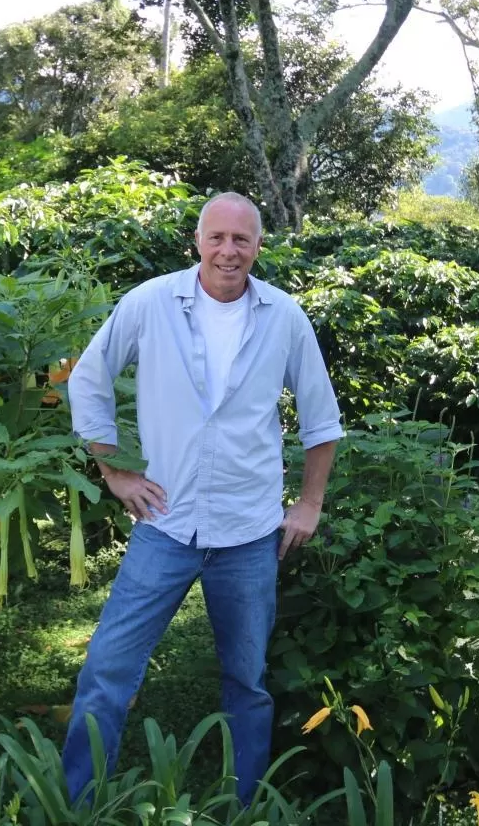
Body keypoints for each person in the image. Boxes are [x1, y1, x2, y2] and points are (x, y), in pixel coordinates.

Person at [61, 191, 343, 807]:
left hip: (249, 531)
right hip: (166, 522)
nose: (228, 251)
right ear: (197, 242)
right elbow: (89, 378)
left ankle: (245, 808)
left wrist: (310, 504)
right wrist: (114, 472)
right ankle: (77, 803)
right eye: (217, 237)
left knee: (247, 681)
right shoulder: (150, 303)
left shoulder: (285, 317)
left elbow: (321, 419)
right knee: (107, 668)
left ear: (259, 246)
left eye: (241, 239)